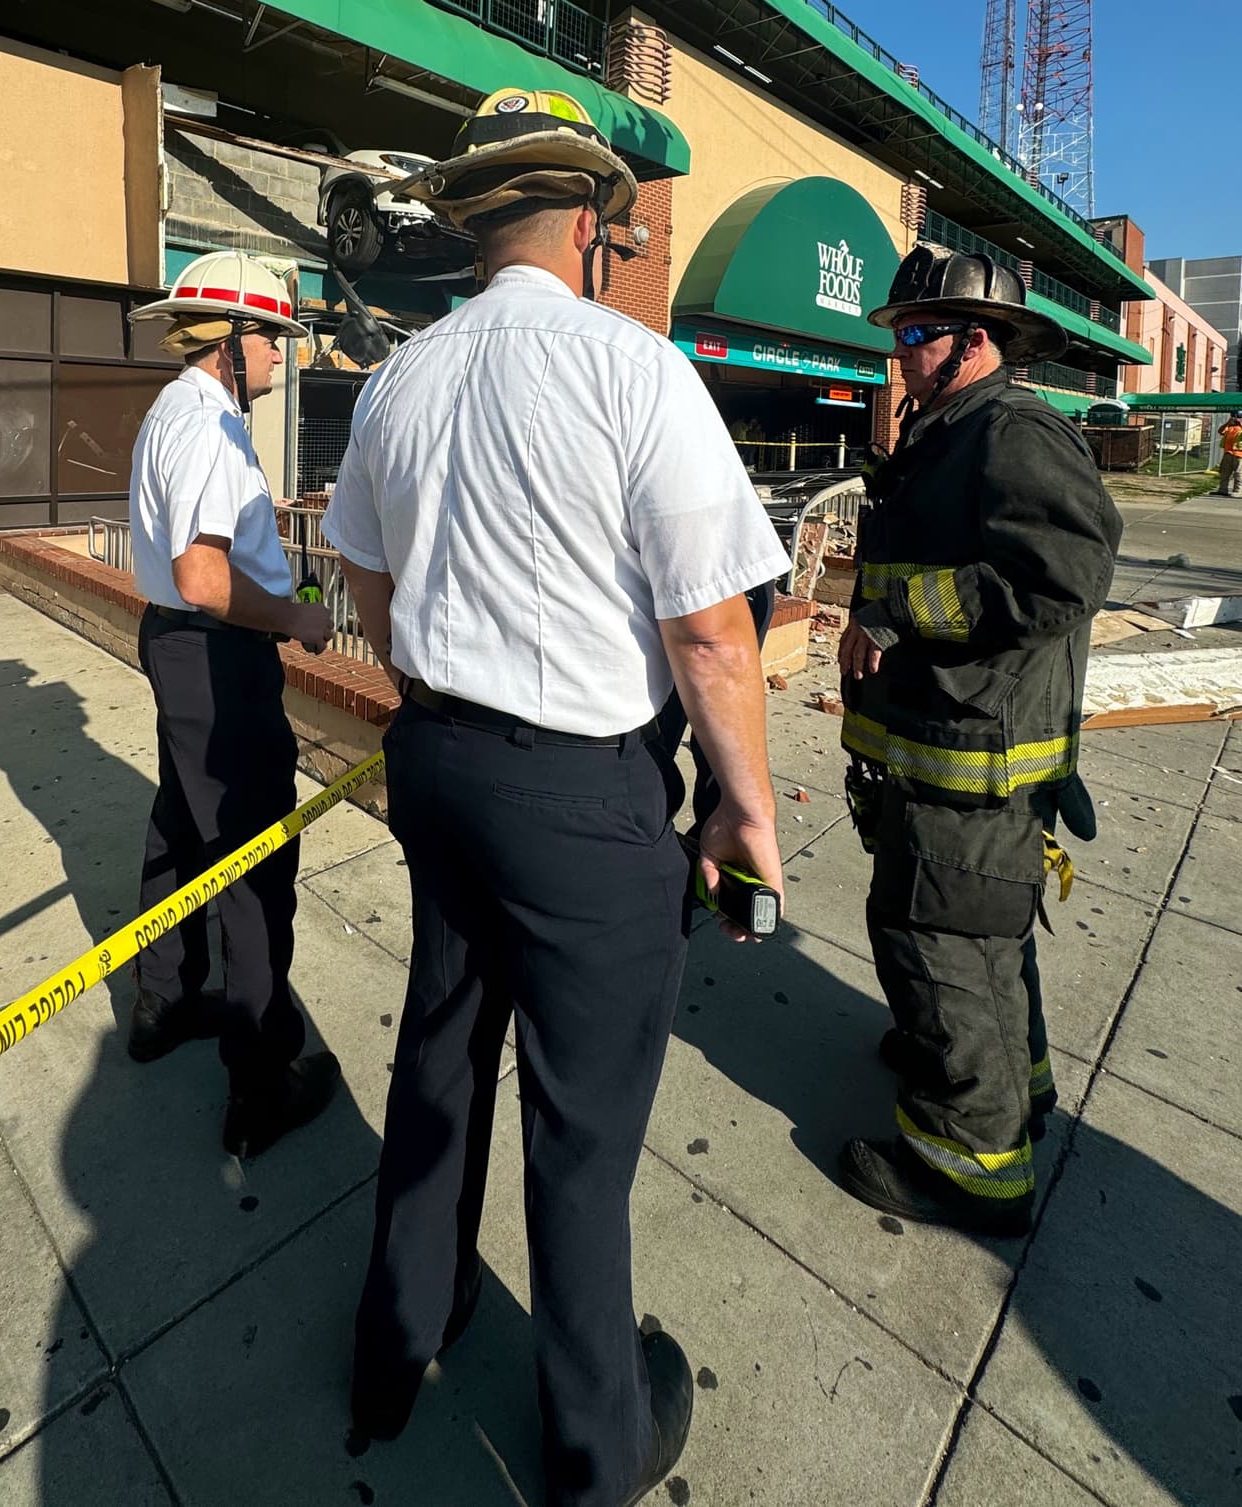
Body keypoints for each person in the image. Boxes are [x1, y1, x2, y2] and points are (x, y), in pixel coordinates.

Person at [321, 87, 789, 1507]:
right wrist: (745, 809)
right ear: (590, 224)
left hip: (439, 760)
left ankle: (399, 1341)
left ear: (473, 222)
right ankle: (597, 1448)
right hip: (583, 797)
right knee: (579, 1136)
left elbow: (363, 582)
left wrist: (439, 670)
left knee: (442, 1053)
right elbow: (713, 634)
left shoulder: (402, 376)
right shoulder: (634, 370)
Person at [836, 246, 1121, 1236]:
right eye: (898, 334)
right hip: (936, 744)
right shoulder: (946, 428)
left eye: (919, 335)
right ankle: (1013, 1083)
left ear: (977, 340)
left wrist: (892, 613)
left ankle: (967, 1162)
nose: (900, 354)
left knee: (940, 941)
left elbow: (1058, 576)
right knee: (979, 936)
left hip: (973, 754)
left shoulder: (1013, 429)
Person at [127, 251, 341, 1158]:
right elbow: (204, 577)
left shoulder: (172, 409)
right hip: (218, 659)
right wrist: (293, 613)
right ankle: (259, 1088)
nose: (282, 357)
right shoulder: (211, 428)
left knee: (180, 827)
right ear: (233, 339)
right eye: (276, 340)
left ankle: (163, 1005)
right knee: (256, 873)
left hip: (177, 650)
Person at [1216, 410, 1242, 496]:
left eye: (1238, 417)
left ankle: (1238, 490)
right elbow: (1220, 431)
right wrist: (1228, 423)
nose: (1236, 419)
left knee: (1238, 473)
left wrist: (1240, 423)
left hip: (1239, 454)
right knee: (1225, 472)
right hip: (1228, 453)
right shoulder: (1229, 427)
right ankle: (1223, 489)